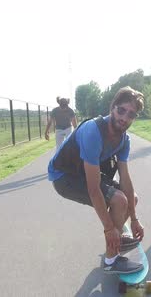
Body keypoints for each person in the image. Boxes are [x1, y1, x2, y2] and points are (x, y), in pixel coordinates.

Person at [48, 86, 145, 274]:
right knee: (119, 200)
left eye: (131, 114)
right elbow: (94, 189)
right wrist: (109, 229)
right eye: (121, 110)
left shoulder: (125, 140)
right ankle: (111, 261)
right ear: (112, 107)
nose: (125, 118)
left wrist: (134, 219)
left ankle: (116, 244)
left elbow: (125, 179)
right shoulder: (94, 131)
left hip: (82, 172)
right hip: (64, 176)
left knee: (131, 198)